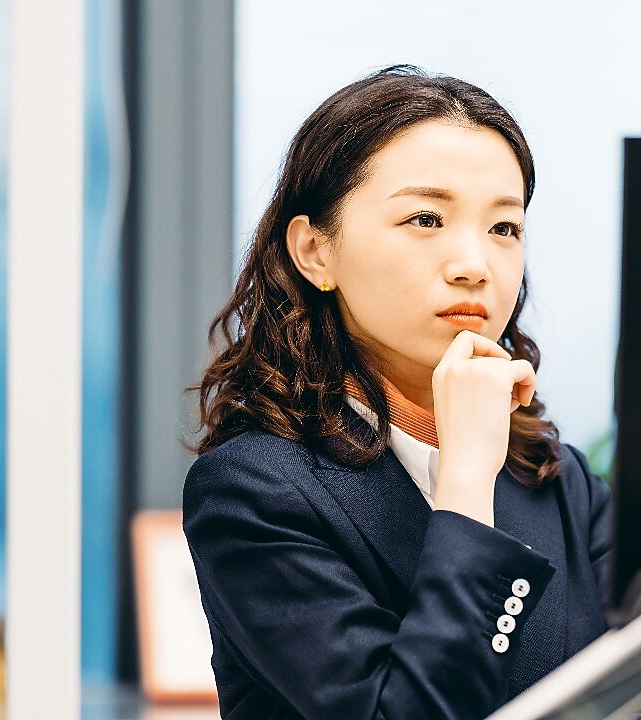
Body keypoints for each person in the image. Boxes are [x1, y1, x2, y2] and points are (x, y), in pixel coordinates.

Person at [182, 65, 613, 720]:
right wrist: (467, 476)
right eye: (425, 218)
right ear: (313, 251)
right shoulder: (254, 491)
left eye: (504, 228)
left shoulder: (560, 483)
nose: (474, 264)